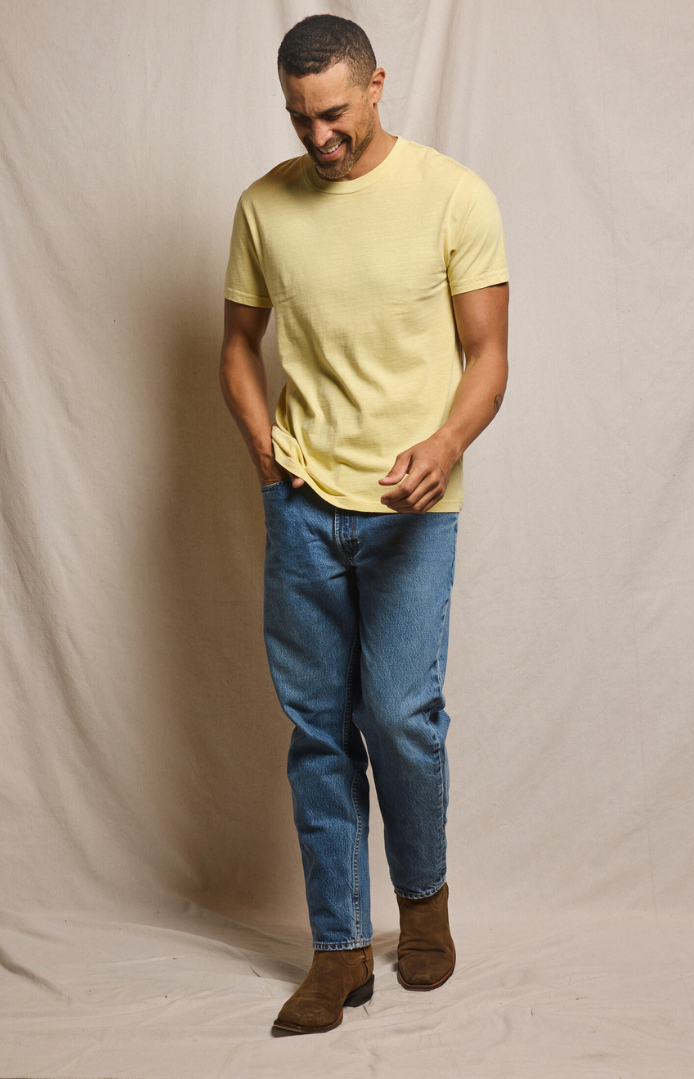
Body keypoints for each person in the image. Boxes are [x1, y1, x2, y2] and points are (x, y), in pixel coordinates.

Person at [219, 14, 509, 1035]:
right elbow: (237, 346)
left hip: (410, 509)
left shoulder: (453, 195)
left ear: (377, 85)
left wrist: (447, 442)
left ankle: (423, 905)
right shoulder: (264, 206)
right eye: (300, 117)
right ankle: (339, 950)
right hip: (302, 507)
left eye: (335, 113)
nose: (320, 136)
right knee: (317, 732)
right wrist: (268, 456)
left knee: (399, 717)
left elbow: (488, 355)